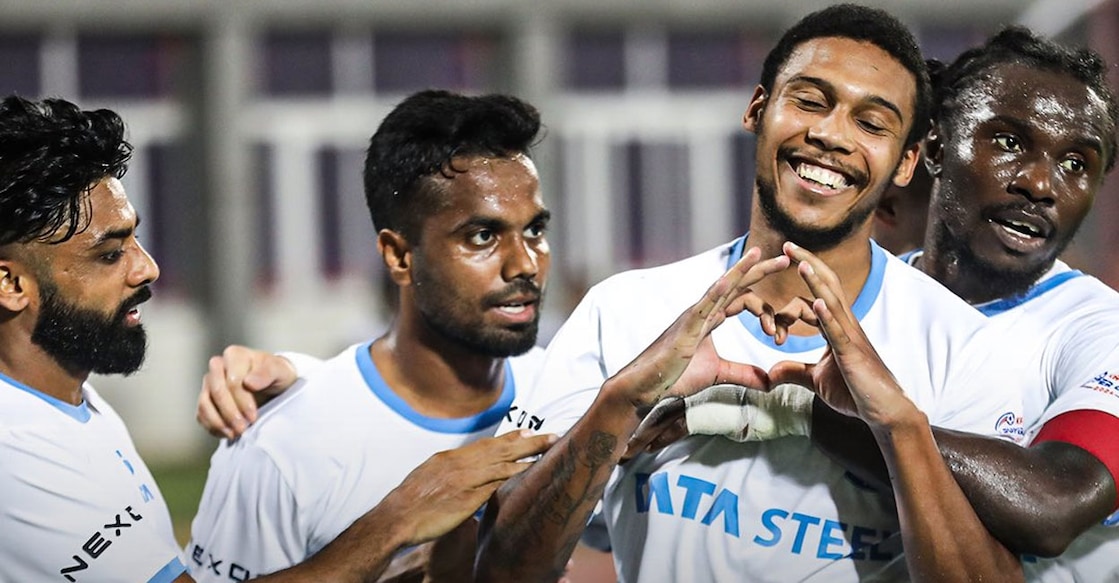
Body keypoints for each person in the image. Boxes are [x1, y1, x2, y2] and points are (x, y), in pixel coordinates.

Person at [472, 5, 1028, 582]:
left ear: (907, 162)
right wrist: (622, 403)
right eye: (811, 101)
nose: (831, 134)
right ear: (758, 109)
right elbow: (504, 570)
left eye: (872, 123)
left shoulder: (962, 345)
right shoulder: (625, 312)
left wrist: (899, 427)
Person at [0, 94, 553, 583]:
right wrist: (400, 516)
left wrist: (313, 382)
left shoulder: (63, 400)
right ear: (10, 283)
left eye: (135, 239)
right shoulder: (17, 452)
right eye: (109, 253)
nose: (146, 269)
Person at [642, 26, 1119, 582]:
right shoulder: (861, 302)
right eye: (1010, 143)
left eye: (1077, 165)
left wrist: (792, 410)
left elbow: (1053, 505)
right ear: (935, 149)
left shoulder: (1096, 331)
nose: (1041, 184)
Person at [187, 89, 561, 582]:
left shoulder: (566, 397)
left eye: (534, 230)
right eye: (482, 236)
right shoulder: (280, 444)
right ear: (399, 256)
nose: (525, 264)